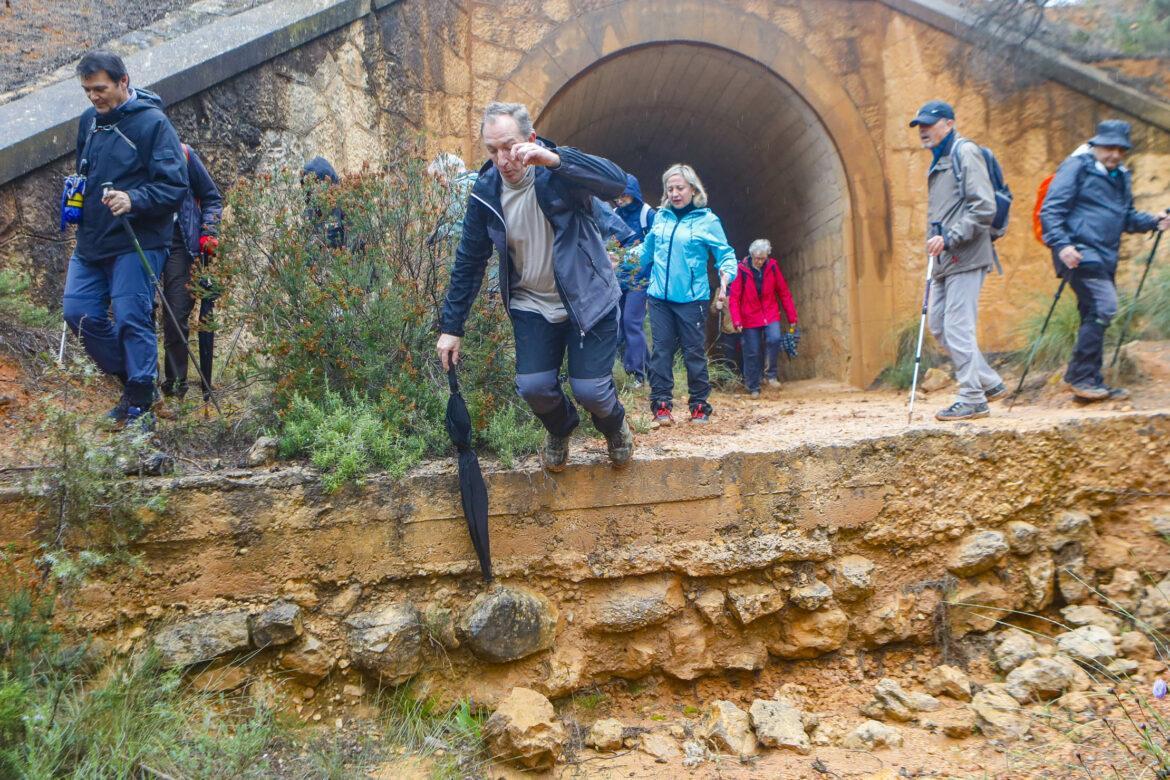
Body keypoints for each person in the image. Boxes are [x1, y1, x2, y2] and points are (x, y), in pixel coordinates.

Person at [436, 102, 634, 470]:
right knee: (533, 387)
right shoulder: (485, 193)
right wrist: (452, 327)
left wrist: (557, 159)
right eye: (492, 150)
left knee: (590, 390)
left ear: (530, 139)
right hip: (532, 304)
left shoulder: (561, 174)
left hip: (587, 299)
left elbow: (616, 181)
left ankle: (614, 424)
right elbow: (469, 261)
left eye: (509, 147)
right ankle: (561, 428)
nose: (502, 159)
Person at [62, 49, 188, 431]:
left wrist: (134, 199)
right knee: (78, 313)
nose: (93, 97)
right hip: (91, 241)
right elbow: (88, 169)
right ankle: (141, 386)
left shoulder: (153, 124)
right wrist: (75, 197)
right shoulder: (89, 122)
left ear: (123, 82)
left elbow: (175, 187)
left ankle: (140, 408)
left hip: (138, 240)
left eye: (99, 89)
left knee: (133, 318)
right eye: (87, 90)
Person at [1040, 119, 1170, 400]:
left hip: (1105, 255)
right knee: (1106, 306)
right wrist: (1062, 245)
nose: (1114, 154)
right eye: (1109, 147)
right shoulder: (1077, 167)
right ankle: (1080, 376)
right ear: (1096, 144)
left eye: (1120, 149)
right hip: (1079, 252)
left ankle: (1088, 383)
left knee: (1093, 312)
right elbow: (1050, 210)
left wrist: (1153, 221)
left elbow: (1126, 217)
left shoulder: (1121, 175)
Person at [910, 100, 1006, 421]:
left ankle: (972, 396)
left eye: (929, 124)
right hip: (943, 259)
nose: (923, 130)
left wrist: (950, 237)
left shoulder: (965, 153)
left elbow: (984, 207)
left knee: (957, 325)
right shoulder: (941, 159)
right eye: (919, 126)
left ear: (949, 124)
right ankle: (988, 381)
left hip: (965, 254)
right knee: (938, 324)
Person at [638, 164, 737, 424]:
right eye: (670, 189)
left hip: (693, 299)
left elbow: (725, 254)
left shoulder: (707, 220)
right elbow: (646, 253)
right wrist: (619, 260)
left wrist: (726, 276)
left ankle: (699, 406)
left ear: (693, 189)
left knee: (694, 352)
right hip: (659, 297)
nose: (674, 193)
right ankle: (661, 407)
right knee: (661, 351)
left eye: (680, 188)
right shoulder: (661, 217)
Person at [159, 144, 223, 399]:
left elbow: (211, 197)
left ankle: (175, 390)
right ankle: (140, 387)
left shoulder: (183, 154)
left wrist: (208, 231)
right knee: (138, 312)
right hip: (144, 238)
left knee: (175, 315)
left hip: (180, 242)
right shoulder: (131, 152)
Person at [727, 239, 798, 397]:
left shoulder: (772, 267)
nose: (759, 261)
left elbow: (783, 292)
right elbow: (734, 298)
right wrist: (737, 320)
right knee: (752, 351)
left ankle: (770, 374)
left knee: (774, 339)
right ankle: (753, 386)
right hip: (749, 317)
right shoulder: (742, 270)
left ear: (767, 257)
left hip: (770, 313)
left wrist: (792, 315)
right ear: (751, 255)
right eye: (757, 258)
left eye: (762, 258)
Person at [613, 174, 654, 386]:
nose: (620, 200)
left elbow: (656, 247)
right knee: (620, 326)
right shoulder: (613, 215)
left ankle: (635, 373)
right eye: (617, 196)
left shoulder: (648, 215)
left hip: (640, 280)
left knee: (631, 322)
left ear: (633, 195)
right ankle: (648, 369)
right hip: (618, 281)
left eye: (624, 196)